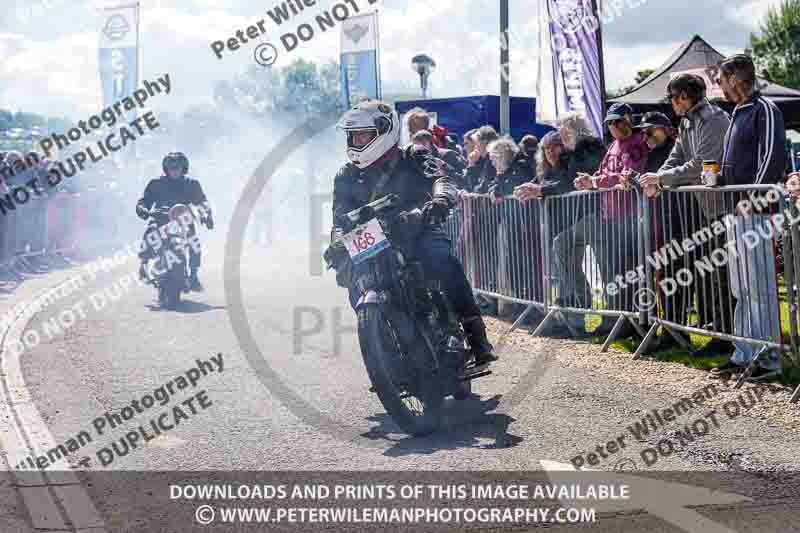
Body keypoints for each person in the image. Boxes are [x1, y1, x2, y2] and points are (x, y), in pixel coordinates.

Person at [327, 100, 497, 366]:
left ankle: (476, 337)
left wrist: (440, 200)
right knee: (352, 277)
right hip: (372, 235)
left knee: (442, 260)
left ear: (384, 131)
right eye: (353, 135)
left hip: (415, 226)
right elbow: (339, 219)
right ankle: (383, 348)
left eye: (363, 135)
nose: (357, 141)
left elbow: (441, 179)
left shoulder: (413, 155)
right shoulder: (346, 175)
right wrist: (337, 244)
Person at [638, 73, 735, 358]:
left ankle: (727, 336)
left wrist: (661, 179)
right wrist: (656, 176)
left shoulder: (712, 119)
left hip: (722, 205)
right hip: (705, 206)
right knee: (711, 273)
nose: (671, 103)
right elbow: (676, 157)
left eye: (672, 97)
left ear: (684, 96)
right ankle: (719, 333)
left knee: (722, 275)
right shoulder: (688, 121)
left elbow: (700, 165)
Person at [710, 54, 786, 381]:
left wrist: (754, 199)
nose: (719, 85)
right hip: (735, 212)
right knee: (741, 287)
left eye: (722, 79)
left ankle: (767, 358)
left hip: (758, 212)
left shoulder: (765, 109)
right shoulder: (737, 113)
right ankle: (743, 352)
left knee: (760, 286)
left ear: (736, 78)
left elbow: (772, 157)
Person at [136, 152, 214, 291]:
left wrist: (207, 215)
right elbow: (145, 201)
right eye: (171, 168)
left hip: (183, 220)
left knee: (193, 241)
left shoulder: (192, 184)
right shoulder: (156, 183)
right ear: (166, 169)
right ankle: (143, 265)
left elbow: (202, 202)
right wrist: (142, 208)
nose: (174, 170)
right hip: (159, 218)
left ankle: (194, 275)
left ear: (184, 168)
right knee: (150, 232)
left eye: (177, 167)